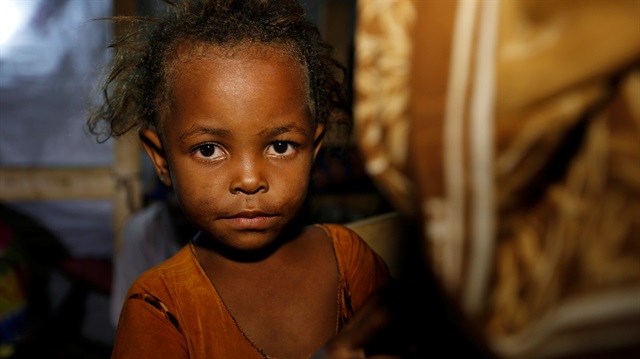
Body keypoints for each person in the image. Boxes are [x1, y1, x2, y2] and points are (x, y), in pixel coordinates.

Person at [86, 0, 392, 358]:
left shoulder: (350, 259)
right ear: (162, 159)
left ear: (314, 148)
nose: (249, 179)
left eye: (280, 146)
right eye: (209, 150)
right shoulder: (159, 304)